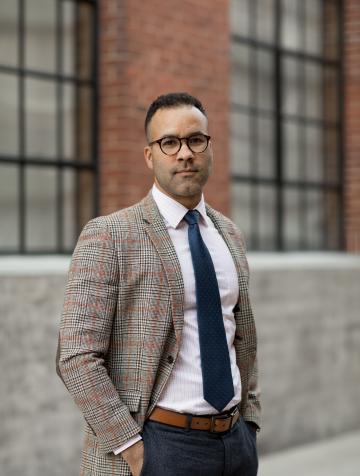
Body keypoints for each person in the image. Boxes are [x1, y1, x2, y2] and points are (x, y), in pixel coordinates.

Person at [57, 92, 260, 476]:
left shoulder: (229, 234)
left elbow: (241, 336)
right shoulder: (110, 236)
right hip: (160, 444)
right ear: (150, 155)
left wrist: (250, 421)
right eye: (170, 142)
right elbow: (76, 357)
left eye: (196, 140)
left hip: (235, 445)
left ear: (210, 148)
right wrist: (133, 449)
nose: (185, 153)